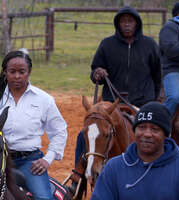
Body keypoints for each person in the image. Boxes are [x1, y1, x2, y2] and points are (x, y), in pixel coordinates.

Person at [72, 5, 162, 189]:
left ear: (137, 24)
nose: (127, 25)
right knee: (89, 130)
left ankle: (159, 172)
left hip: (141, 102)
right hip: (109, 102)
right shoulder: (107, 44)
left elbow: (158, 75)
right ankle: (78, 174)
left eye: (130, 21)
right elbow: (94, 70)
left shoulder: (150, 45)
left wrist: (156, 101)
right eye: (123, 21)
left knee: (158, 134)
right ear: (118, 24)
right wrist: (97, 72)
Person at [90, 101, 179, 200]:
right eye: (141, 127)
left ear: (166, 135)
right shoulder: (114, 167)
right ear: (134, 131)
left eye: (155, 129)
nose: (147, 134)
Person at [0, 50, 68, 200]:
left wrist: (47, 159)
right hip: (1, 159)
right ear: (5, 72)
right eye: (12, 71)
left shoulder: (44, 100)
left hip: (29, 161)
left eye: (21, 72)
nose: (17, 76)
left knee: (44, 197)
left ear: (29, 72)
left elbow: (59, 131)